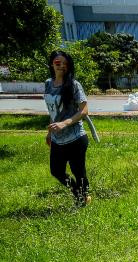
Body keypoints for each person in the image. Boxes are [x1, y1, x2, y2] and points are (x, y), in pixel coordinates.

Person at [44, 50, 91, 206]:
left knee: (78, 172)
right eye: (58, 63)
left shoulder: (74, 85)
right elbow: (53, 111)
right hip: (57, 138)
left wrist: (64, 123)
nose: (61, 66)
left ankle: (83, 198)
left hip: (76, 137)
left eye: (65, 63)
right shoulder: (48, 84)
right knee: (56, 171)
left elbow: (84, 110)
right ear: (52, 64)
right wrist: (49, 133)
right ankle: (78, 192)